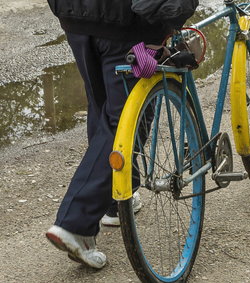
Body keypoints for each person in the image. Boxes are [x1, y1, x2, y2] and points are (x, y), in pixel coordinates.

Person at [44, 0, 171, 269]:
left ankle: (116, 199)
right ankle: (75, 224)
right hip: (127, 21)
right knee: (126, 120)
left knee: (102, 109)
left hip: (75, 14)